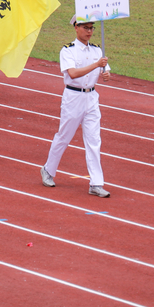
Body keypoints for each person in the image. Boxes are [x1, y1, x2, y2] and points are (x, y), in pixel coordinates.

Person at [40, 18, 112, 197]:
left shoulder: (96, 49)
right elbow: (72, 73)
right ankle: (48, 170)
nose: (89, 31)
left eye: (92, 28)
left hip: (91, 97)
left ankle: (96, 183)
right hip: (73, 97)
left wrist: (106, 73)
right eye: (86, 28)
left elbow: (105, 71)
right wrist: (97, 65)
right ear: (76, 28)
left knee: (94, 140)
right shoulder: (67, 50)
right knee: (64, 136)